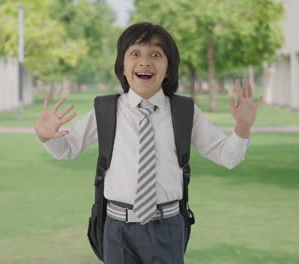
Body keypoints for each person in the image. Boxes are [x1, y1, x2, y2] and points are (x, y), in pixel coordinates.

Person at [34, 22, 262, 264]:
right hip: (117, 229)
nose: (145, 61)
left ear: (168, 69)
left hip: (168, 227)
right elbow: (67, 149)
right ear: (122, 67)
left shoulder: (184, 111)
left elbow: (227, 156)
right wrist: (44, 135)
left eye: (156, 54)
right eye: (135, 53)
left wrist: (243, 127)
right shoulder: (105, 110)